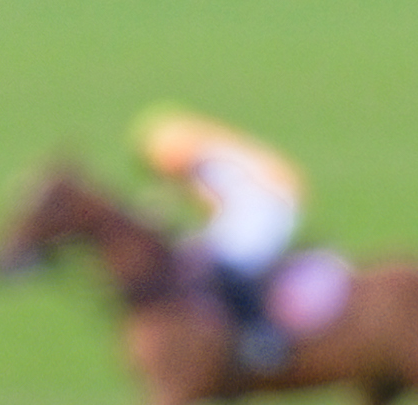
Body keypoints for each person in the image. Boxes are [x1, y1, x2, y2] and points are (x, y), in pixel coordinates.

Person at [127, 106, 307, 375]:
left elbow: (224, 204)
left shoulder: (210, 165)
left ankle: (261, 336)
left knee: (228, 265)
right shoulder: (207, 156)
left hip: (269, 208)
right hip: (253, 208)